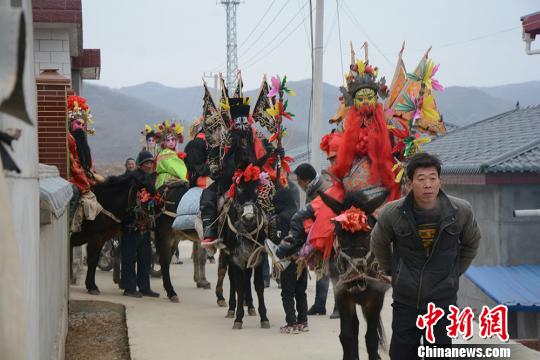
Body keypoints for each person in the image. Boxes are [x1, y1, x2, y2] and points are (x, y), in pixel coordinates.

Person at [370, 152, 481, 359]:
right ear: (410, 183)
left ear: (440, 181)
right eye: (421, 179)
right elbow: (378, 243)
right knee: (401, 354)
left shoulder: (461, 211)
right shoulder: (392, 213)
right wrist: (391, 271)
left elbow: (472, 242)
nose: (428, 184)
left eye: (432, 178)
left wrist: (455, 272)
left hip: (442, 302)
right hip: (406, 301)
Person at [293, 163, 339, 318]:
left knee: (334, 269)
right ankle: (320, 305)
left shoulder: (323, 190)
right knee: (322, 269)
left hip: (331, 234)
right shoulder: (312, 189)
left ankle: (339, 307)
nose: (298, 184)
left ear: (306, 180)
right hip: (320, 234)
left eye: (299, 181)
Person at [120, 150, 161, 298]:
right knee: (129, 257)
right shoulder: (133, 178)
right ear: (141, 164)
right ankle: (129, 288)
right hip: (131, 224)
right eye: (147, 163)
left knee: (145, 257)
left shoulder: (149, 179)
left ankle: (144, 287)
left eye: (151, 162)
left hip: (144, 226)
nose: (150, 165)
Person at [268, 186, 306, 334]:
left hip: (288, 260)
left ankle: (291, 323)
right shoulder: (300, 214)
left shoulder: (281, 217)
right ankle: (303, 321)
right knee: (301, 292)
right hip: (302, 259)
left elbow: (280, 238)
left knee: (287, 293)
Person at [152, 120, 188, 189]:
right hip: (166, 181)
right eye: (168, 140)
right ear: (163, 142)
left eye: (173, 139)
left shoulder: (172, 152)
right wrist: (185, 178)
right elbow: (174, 167)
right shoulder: (166, 152)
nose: (171, 142)